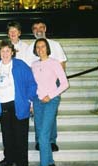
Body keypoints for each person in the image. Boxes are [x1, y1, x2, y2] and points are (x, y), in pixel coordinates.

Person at [0, 39, 37, 166]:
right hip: (3, 104)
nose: (5, 53)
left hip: (18, 103)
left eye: (8, 51)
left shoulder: (21, 65)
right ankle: (9, 158)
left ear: (12, 52)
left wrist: (29, 100)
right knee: (7, 133)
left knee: (20, 134)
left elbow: (32, 84)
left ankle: (20, 162)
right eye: (2, 51)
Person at [25, 20, 67, 152]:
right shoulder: (30, 47)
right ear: (33, 31)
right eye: (35, 28)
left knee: (51, 115)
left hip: (52, 83)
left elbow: (61, 64)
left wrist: (57, 85)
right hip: (37, 85)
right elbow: (28, 68)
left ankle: (51, 140)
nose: (39, 30)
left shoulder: (55, 45)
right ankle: (40, 141)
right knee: (39, 117)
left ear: (45, 28)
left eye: (41, 27)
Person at [31, 38, 69, 166]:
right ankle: (50, 161)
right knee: (41, 132)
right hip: (37, 101)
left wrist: (50, 95)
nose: (40, 49)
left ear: (47, 48)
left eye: (43, 46)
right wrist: (31, 104)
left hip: (51, 100)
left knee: (44, 134)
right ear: (35, 50)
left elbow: (64, 84)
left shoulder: (54, 63)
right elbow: (33, 86)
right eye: (38, 47)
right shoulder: (33, 65)